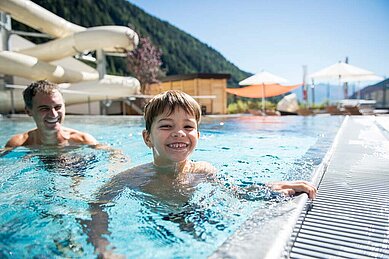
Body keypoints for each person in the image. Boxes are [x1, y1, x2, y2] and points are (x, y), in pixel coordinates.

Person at [85, 90, 317, 257]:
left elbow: (237, 192)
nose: (179, 133)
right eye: (166, 126)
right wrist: (103, 247)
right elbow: (96, 206)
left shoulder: (203, 170)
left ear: (198, 134)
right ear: (147, 138)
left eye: (188, 127)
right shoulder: (131, 178)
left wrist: (273, 188)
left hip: (196, 213)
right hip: (155, 223)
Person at [5, 80, 97, 148]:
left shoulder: (83, 141)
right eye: (44, 108)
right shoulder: (18, 144)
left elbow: (110, 159)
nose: (54, 114)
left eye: (58, 107)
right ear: (28, 111)